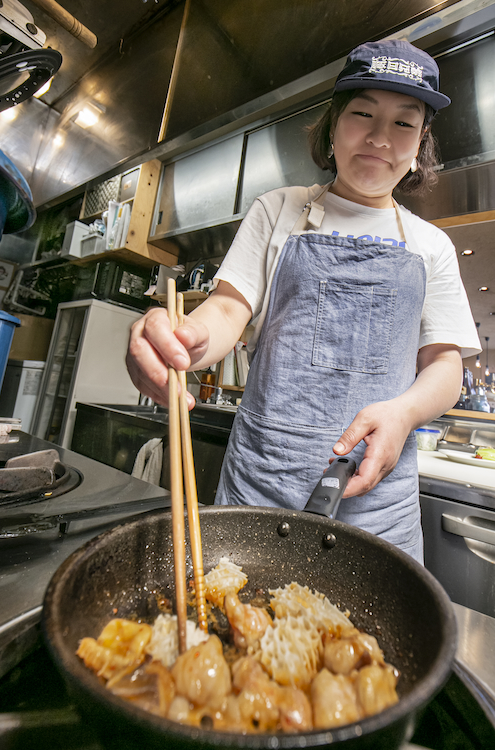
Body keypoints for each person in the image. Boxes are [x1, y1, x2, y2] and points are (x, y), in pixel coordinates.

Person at [127, 40, 481, 563]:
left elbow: (444, 366)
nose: (381, 138)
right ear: (334, 121)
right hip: (263, 486)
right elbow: (226, 310)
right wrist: (183, 341)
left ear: (420, 141)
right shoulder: (278, 210)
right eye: (363, 113)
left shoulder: (432, 245)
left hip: (378, 501)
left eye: (404, 123)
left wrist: (405, 414)